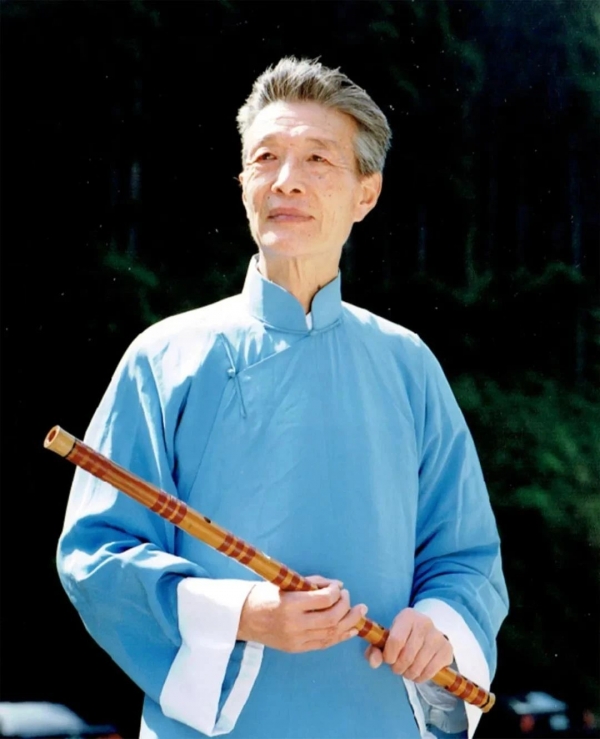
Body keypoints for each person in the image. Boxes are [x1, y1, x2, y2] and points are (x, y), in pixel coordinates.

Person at [56, 57, 509, 739]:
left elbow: (465, 557)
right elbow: (97, 554)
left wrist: (438, 628)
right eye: (265, 158)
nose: (285, 180)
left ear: (366, 194)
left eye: (317, 159)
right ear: (243, 184)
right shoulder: (163, 356)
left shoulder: (408, 363)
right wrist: (242, 615)